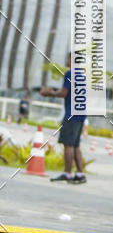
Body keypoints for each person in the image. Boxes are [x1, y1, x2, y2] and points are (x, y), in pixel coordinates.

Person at [41, 53, 87, 184]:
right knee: (76, 145)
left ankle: (67, 173)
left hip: (71, 114)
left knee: (68, 144)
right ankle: (80, 174)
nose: (66, 60)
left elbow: (63, 93)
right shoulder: (82, 75)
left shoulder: (70, 73)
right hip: (81, 113)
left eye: (67, 58)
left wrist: (49, 93)